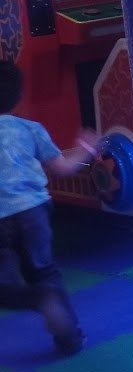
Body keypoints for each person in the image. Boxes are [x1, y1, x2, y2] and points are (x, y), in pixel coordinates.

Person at [0, 59, 99, 356]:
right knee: (45, 272)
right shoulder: (30, 129)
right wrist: (87, 148)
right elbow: (63, 168)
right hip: (34, 211)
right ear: (19, 97)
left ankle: (37, 299)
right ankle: (69, 339)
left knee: (4, 286)